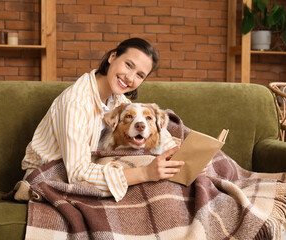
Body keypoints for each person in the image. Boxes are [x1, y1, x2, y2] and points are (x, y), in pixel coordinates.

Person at [21, 38, 184, 202]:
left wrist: (184, 157)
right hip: (50, 176)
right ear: (112, 57)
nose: (130, 78)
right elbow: (78, 173)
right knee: (151, 185)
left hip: (90, 169)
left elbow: (159, 134)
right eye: (128, 65)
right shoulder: (75, 102)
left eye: (140, 75)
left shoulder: (118, 101)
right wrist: (145, 173)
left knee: (167, 182)